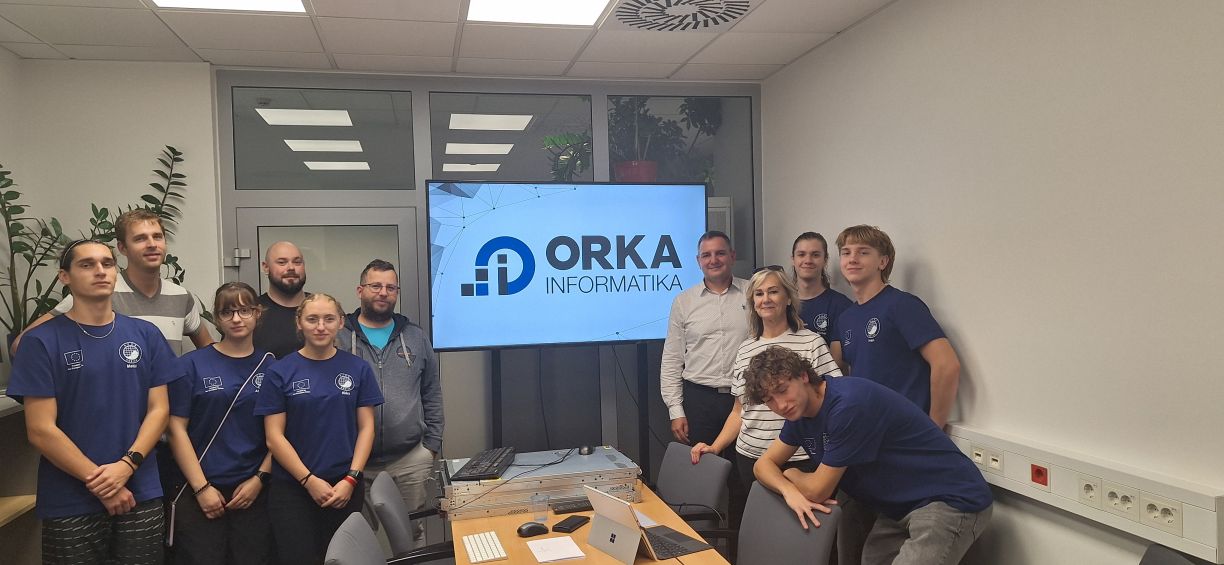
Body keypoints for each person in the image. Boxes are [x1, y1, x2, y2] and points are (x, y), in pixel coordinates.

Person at [9, 239, 183, 565]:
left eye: (107, 263)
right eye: (87, 265)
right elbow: (41, 429)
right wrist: (105, 484)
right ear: (65, 277)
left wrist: (126, 466)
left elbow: (159, 410)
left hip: (140, 490)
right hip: (70, 498)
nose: (100, 271)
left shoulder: (145, 335)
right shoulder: (40, 342)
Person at [747, 346, 991, 565]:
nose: (780, 405)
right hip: (899, 506)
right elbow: (762, 465)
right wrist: (788, 490)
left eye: (782, 390)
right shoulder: (799, 415)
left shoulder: (847, 405)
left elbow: (818, 490)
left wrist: (791, 473)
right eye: (769, 401)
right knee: (872, 559)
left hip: (949, 498)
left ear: (803, 376)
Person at [831, 224, 965, 564]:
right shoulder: (847, 318)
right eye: (846, 252)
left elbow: (946, 365)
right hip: (863, 449)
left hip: (902, 447)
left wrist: (933, 427)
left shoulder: (902, 305)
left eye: (863, 252)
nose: (852, 259)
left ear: (883, 261)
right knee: (853, 548)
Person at [256, 293, 383, 565]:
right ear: (299, 323)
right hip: (293, 490)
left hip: (345, 487)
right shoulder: (279, 371)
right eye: (312, 319)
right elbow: (274, 437)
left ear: (340, 323)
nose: (321, 326)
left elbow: (367, 429)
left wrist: (351, 479)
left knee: (344, 560)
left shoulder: (358, 368)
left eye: (329, 319)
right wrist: (308, 481)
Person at [690, 266, 842, 494]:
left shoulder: (812, 343)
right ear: (753, 303)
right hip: (750, 457)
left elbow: (832, 401)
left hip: (801, 458)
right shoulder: (745, 349)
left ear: (788, 298)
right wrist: (715, 447)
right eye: (759, 294)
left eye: (773, 292)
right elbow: (739, 411)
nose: (766, 299)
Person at [167, 282, 276, 565]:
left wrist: (259, 479)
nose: (237, 319)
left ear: (257, 314)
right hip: (199, 488)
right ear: (216, 318)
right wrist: (201, 488)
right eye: (228, 312)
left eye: (244, 310)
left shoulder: (272, 367)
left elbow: (280, 435)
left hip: (253, 490)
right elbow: (175, 429)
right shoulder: (191, 365)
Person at [335, 260, 443, 545]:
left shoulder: (415, 337)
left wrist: (431, 445)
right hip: (354, 463)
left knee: (411, 536)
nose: (383, 292)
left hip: (409, 459)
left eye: (390, 287)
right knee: (356, 540)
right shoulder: (339, 337)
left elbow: (432, 392)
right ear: (360, 290)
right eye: (375, 286)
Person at [15, 208, 214, 355]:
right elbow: (21, 345)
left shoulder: (181, 296)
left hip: (166, 399)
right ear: (122, 248)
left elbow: (210, 353)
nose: (152, 244)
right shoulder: (100, 292)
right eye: (140, 239)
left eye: (157, 237)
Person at [660, 230, 750, 523]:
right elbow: (672, 359)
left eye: (720, 253)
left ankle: (738, 544)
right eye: (707, 255)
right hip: (700, 400)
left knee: (743, 482)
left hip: (746, 401)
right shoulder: (684, 302)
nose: (714, 260)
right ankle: (699, 542)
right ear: (698, 261)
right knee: (700, 480)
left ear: (732, 256)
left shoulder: (754, 294)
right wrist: (676, 410)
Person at [791, 232, 853, 344]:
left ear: (825, 260)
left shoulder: (842, 306)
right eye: (801, 254)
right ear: (793, 260)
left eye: (815, 255)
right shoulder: (780, 303)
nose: (808, 260)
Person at [253, 241, 308, 359]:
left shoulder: (323, 309)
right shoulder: (252, 313)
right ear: (266, 267)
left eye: (297, 262)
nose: (291, 268)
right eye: (282, 262)